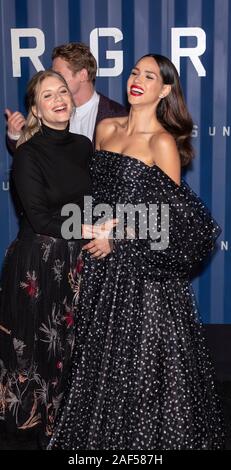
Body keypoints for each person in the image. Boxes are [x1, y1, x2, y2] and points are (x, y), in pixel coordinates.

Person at [48, 54, 224, 450]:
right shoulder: (106, 129)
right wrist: (90, 225)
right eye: (133, 72)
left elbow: (171, 223)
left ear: (164, 91)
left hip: (144, 279)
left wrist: (119, 237)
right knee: (99, 366)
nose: (137, 80)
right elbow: (94, 196)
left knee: (142, 368)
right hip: (101, 270)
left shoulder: (162, 143)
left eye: (149, 76)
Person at [0, 69, 94, 447]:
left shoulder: (84, 145)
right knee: (33, 351)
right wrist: (89, 229)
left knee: (67, 348)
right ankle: (27, 429)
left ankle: (61, 424)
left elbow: (91, 202)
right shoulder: (28, 153)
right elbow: (39, 218)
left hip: (74, 263)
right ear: (36, 109)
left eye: (62, 92)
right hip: (37, 264)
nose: (58, 100)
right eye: (47, 96)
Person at [5, 42, 127, 153]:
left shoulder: (117, 114)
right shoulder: (49, 110)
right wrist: (15, 135)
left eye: (58, 74)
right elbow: (32, 156)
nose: (54, 78)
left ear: (83, 75)